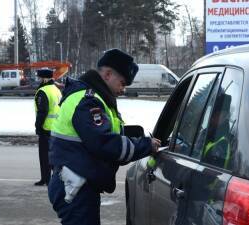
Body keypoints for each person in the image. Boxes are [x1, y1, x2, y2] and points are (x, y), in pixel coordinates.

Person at [48, 49, 161, 225]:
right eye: (122, 83)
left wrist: (133, 139)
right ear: (108, 74)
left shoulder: (94, 98)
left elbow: (106, 135)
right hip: (75, 187)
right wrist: (146, 145)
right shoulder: (88, 101)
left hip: (77, 183)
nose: (123, 90)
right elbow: (105, 144)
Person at [34, 69, 62, 186]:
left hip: (46, 128)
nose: (38, 80)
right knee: (55, 155)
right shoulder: (56, 90)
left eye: (40, 78)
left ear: (45, 79)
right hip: (56, 127)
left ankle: (46, 179)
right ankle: (55, 178)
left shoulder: (43, 91)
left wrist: (38, 126)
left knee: (44, 156)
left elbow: (42, 111)